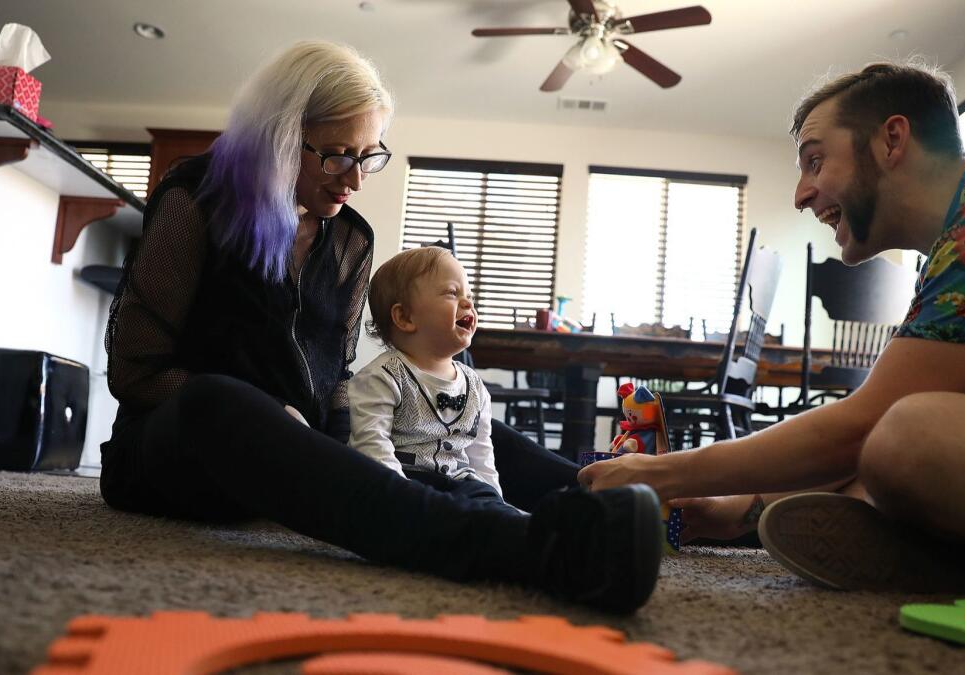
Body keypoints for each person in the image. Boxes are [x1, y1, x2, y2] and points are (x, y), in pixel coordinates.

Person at [99, 40, 662, 613]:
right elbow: (136, 368)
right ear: (282, 138)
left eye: (368, 156)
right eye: (338, 155)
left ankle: (645, 503)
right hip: (186, 448)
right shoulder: (197, 198)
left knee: (456, 417)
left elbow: (337, 375)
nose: (356, 179)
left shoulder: (349, 239)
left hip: (300, 455)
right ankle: (541, 549)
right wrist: (274, 415)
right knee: (215, 401)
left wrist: (359, 424)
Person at [580, 60, 965, 598]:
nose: (800, 195)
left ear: (892, 141)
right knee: (869, 470)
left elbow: (861, 426)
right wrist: (738, 511)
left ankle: (947, 559)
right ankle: (936, 553)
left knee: (909, 435)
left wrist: (666, 475)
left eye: (815, 162)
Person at [348, 246, 503, 502]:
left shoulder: (474, 385)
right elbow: (372, 446)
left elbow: (482, 455)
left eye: (470, 296)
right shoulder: (383, 377)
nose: (467, 303)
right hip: (409, 485)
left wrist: (495, 499)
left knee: (485, 500)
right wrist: (401, 499)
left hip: (460, 484)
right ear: (405, 317)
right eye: (452, 293)